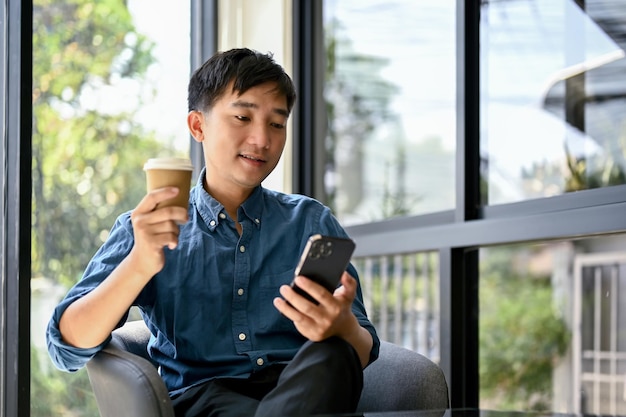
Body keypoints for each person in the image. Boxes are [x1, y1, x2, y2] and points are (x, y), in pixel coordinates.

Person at [46, 47, 379, 417]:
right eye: (242, 117)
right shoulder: (146, 227)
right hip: (203, 400)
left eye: (276, 124)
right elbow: (67, 348)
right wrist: (139, 263)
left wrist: (343, 325)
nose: (261, 140)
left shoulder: (310, 221)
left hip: (303, 392)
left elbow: (363, 351)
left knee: (334, 354)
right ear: (198, 126)